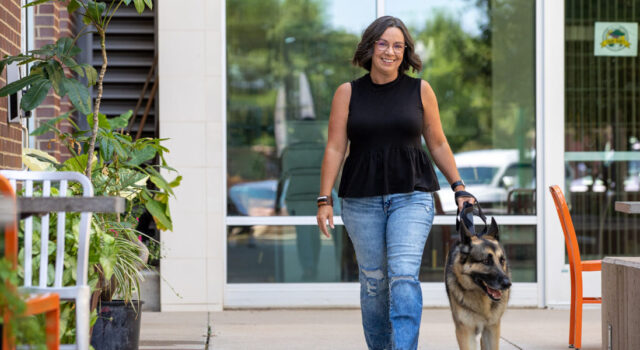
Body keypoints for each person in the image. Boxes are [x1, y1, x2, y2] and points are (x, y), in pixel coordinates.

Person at [316, 16, 475, 350]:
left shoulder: (420, 89)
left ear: (406, 52)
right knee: (374, 283)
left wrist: (459, 186)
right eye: (383, 44)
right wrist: (324, 199)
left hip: (412, 196)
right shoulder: (348, 92)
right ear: (370, 46)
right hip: (362, 201)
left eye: (398, 46)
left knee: (403, 277)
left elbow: (438, 143)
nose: (390, 52)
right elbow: (334, 147)